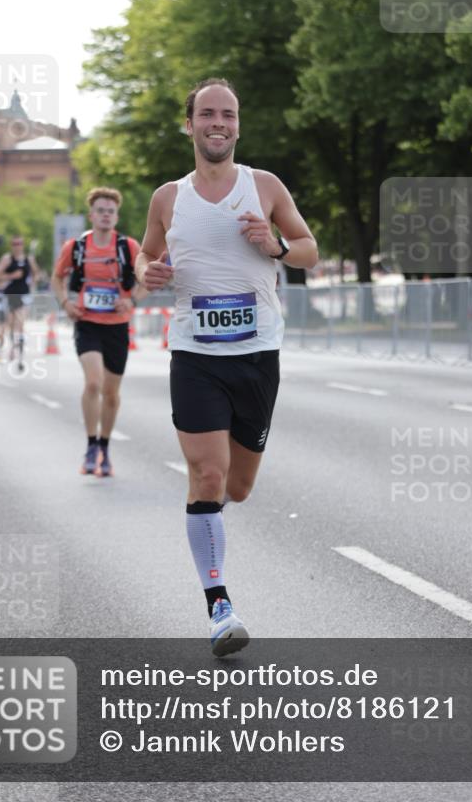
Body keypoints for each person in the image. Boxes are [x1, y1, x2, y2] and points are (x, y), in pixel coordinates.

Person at [135, 78, 318, 656]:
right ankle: (219, 606)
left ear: (238, 126)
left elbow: (309, 247)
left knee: (238, 486)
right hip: (194, 355)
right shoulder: (169, 197)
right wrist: (146, 273)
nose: (219, 123)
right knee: (207, 476)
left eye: (229, 115)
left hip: (257, 355)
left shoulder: (264, 186)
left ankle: (214, 529)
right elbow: (147, 252)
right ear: (188, 125)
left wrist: (277, 247)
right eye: (208, 114)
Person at [51, 187, 141, 477]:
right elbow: (56, 277)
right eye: (100, 210)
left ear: (116, 216)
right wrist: (65, 302)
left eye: (110, 211)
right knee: (93, 383)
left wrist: (131, 299)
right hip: (87, 323)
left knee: (111, 393)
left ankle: (104, 446)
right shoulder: (76, 247)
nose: (105, 215)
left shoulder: (128, 247)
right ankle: (91, 445)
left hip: (117, 326)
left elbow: (148, 278)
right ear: (91, 215)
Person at [0, 236, 39, 372]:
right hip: (9, 294)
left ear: (23, 245)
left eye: (19, 243)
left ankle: (18, 355)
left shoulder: (29, 259)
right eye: (14, 243)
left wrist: (33, 281)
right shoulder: (7, 259)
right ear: (11, 245)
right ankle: (11, 347)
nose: (17, 246)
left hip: (24, 294)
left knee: (20, 324)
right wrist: (11, 276)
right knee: (10, 324)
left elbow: (37, 274)